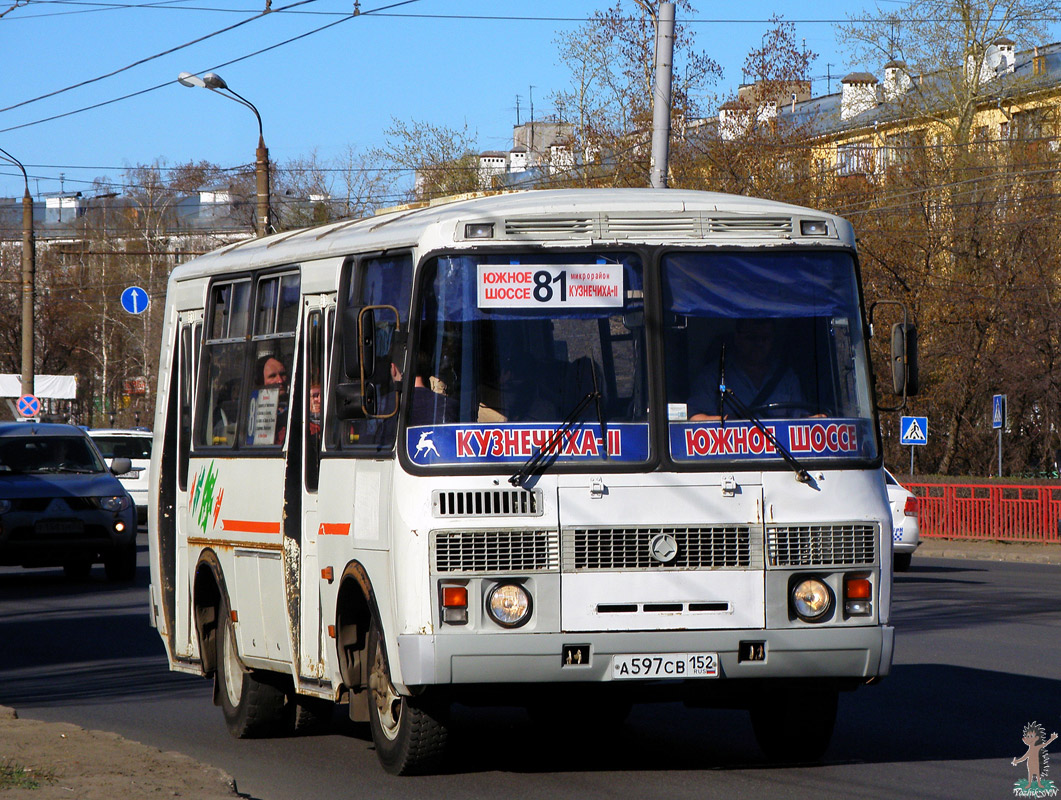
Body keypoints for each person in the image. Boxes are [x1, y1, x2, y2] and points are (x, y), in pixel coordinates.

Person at [688, 318, 803, 421]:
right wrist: (726, 421)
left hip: (778, 445)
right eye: (752, 338)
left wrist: (815, 420)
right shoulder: (714, 376)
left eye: (765, 338)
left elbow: (801, 419)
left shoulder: (786, 377)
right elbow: (694, 417)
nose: (759, 344)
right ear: (737, 338)